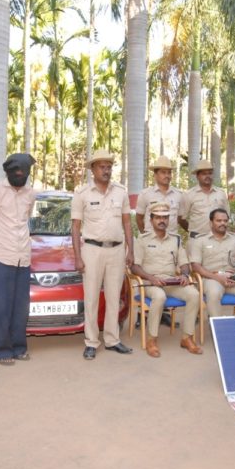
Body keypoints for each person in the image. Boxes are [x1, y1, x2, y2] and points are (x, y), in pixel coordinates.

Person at [72, 149, 134, 360]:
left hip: (117, 250)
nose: (106, 170)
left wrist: (130, 251)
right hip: (92, 250)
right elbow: (75, 227)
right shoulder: (82, 194)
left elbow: (127, 222)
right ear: (93, 169)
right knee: (91, 298)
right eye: (102, 167)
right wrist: (78, 256)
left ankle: (112, 339)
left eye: (109, 167)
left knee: (114, 297)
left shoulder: (121, 192)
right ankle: (91, 341)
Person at [131, 203, 202, 358]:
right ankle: (152, 339)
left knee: (193, 294)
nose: (161, 220)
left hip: (171, 281)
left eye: (165, 217)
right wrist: (151, 278)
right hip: (150, 282)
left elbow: (184, 264)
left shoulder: (175, 240)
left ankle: (187, 338)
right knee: (159, 296)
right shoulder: (142, 240)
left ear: (168, 220)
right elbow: (134, 267)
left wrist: (184, 275)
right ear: (151, 220)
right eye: (158, 217)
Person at [0, 153, 36, 365]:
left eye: (24, 173)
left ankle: (19, 347)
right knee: (1, 305)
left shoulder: (31, 194)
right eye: (16, 172)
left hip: (23, 256)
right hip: (1, 254)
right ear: (8, 173)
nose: (20, 175)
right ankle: (1, 350)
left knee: (20, 306)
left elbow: (26, 220)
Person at [190, 208, 235, 317]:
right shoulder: (200, 240)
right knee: (214, 295)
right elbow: (196, 266)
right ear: (211, 223)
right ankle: (218, 329)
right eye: (219, 221)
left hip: (233, 278)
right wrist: (218, 278)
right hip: (211, 278)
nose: (223, 223)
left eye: (225, 221)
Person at [179, 160, 229, 238]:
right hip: (196, 238)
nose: (207, 176)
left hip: (217, 239)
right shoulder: (189, 195)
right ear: (197, 176)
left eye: (210, 173)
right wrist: (193, 232)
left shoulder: (221, 193)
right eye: (204, 174)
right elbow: (181, 219)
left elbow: (226, 217)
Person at [135, 155, 183, 234]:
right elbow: (139, 218)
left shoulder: (179, 195)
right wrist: (146, 236)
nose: (167, 176)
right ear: (155, 175)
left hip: (172, 240)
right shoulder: (145, 194)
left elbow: (180, 218)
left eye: (169, 173)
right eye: (163, 172)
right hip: (151, 240)